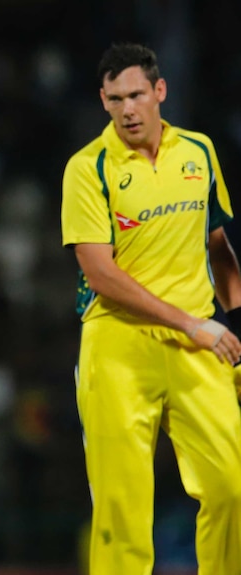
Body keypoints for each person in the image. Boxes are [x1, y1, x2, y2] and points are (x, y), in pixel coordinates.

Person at [60, 42, 241, 574]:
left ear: (159, 91)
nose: (128, 109)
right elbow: (100, 273)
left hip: (197, 344)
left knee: (230, 485)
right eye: (115, 99)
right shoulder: (87, 167)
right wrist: (194, 323)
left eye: (137, 94)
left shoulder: (199, 152)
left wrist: (233, 327)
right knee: (122, 504)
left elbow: (219, 248)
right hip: (117, 343)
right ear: (102, 100)